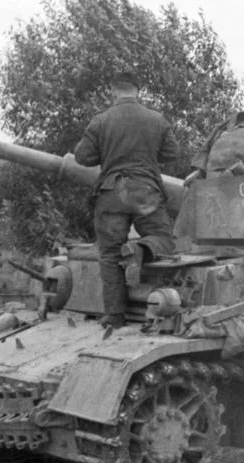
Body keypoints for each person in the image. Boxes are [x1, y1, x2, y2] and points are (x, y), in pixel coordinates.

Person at [74, 71, 179, 330]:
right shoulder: (156, 120)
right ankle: (141, 250)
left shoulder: (101, 121)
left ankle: (115, 316)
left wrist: (108, 151)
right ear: (138, 90)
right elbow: (172, 154)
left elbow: (82, 157)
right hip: (146, 192)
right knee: (164, 240)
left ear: (113, 91)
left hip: (111, 194)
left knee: (109, 254)